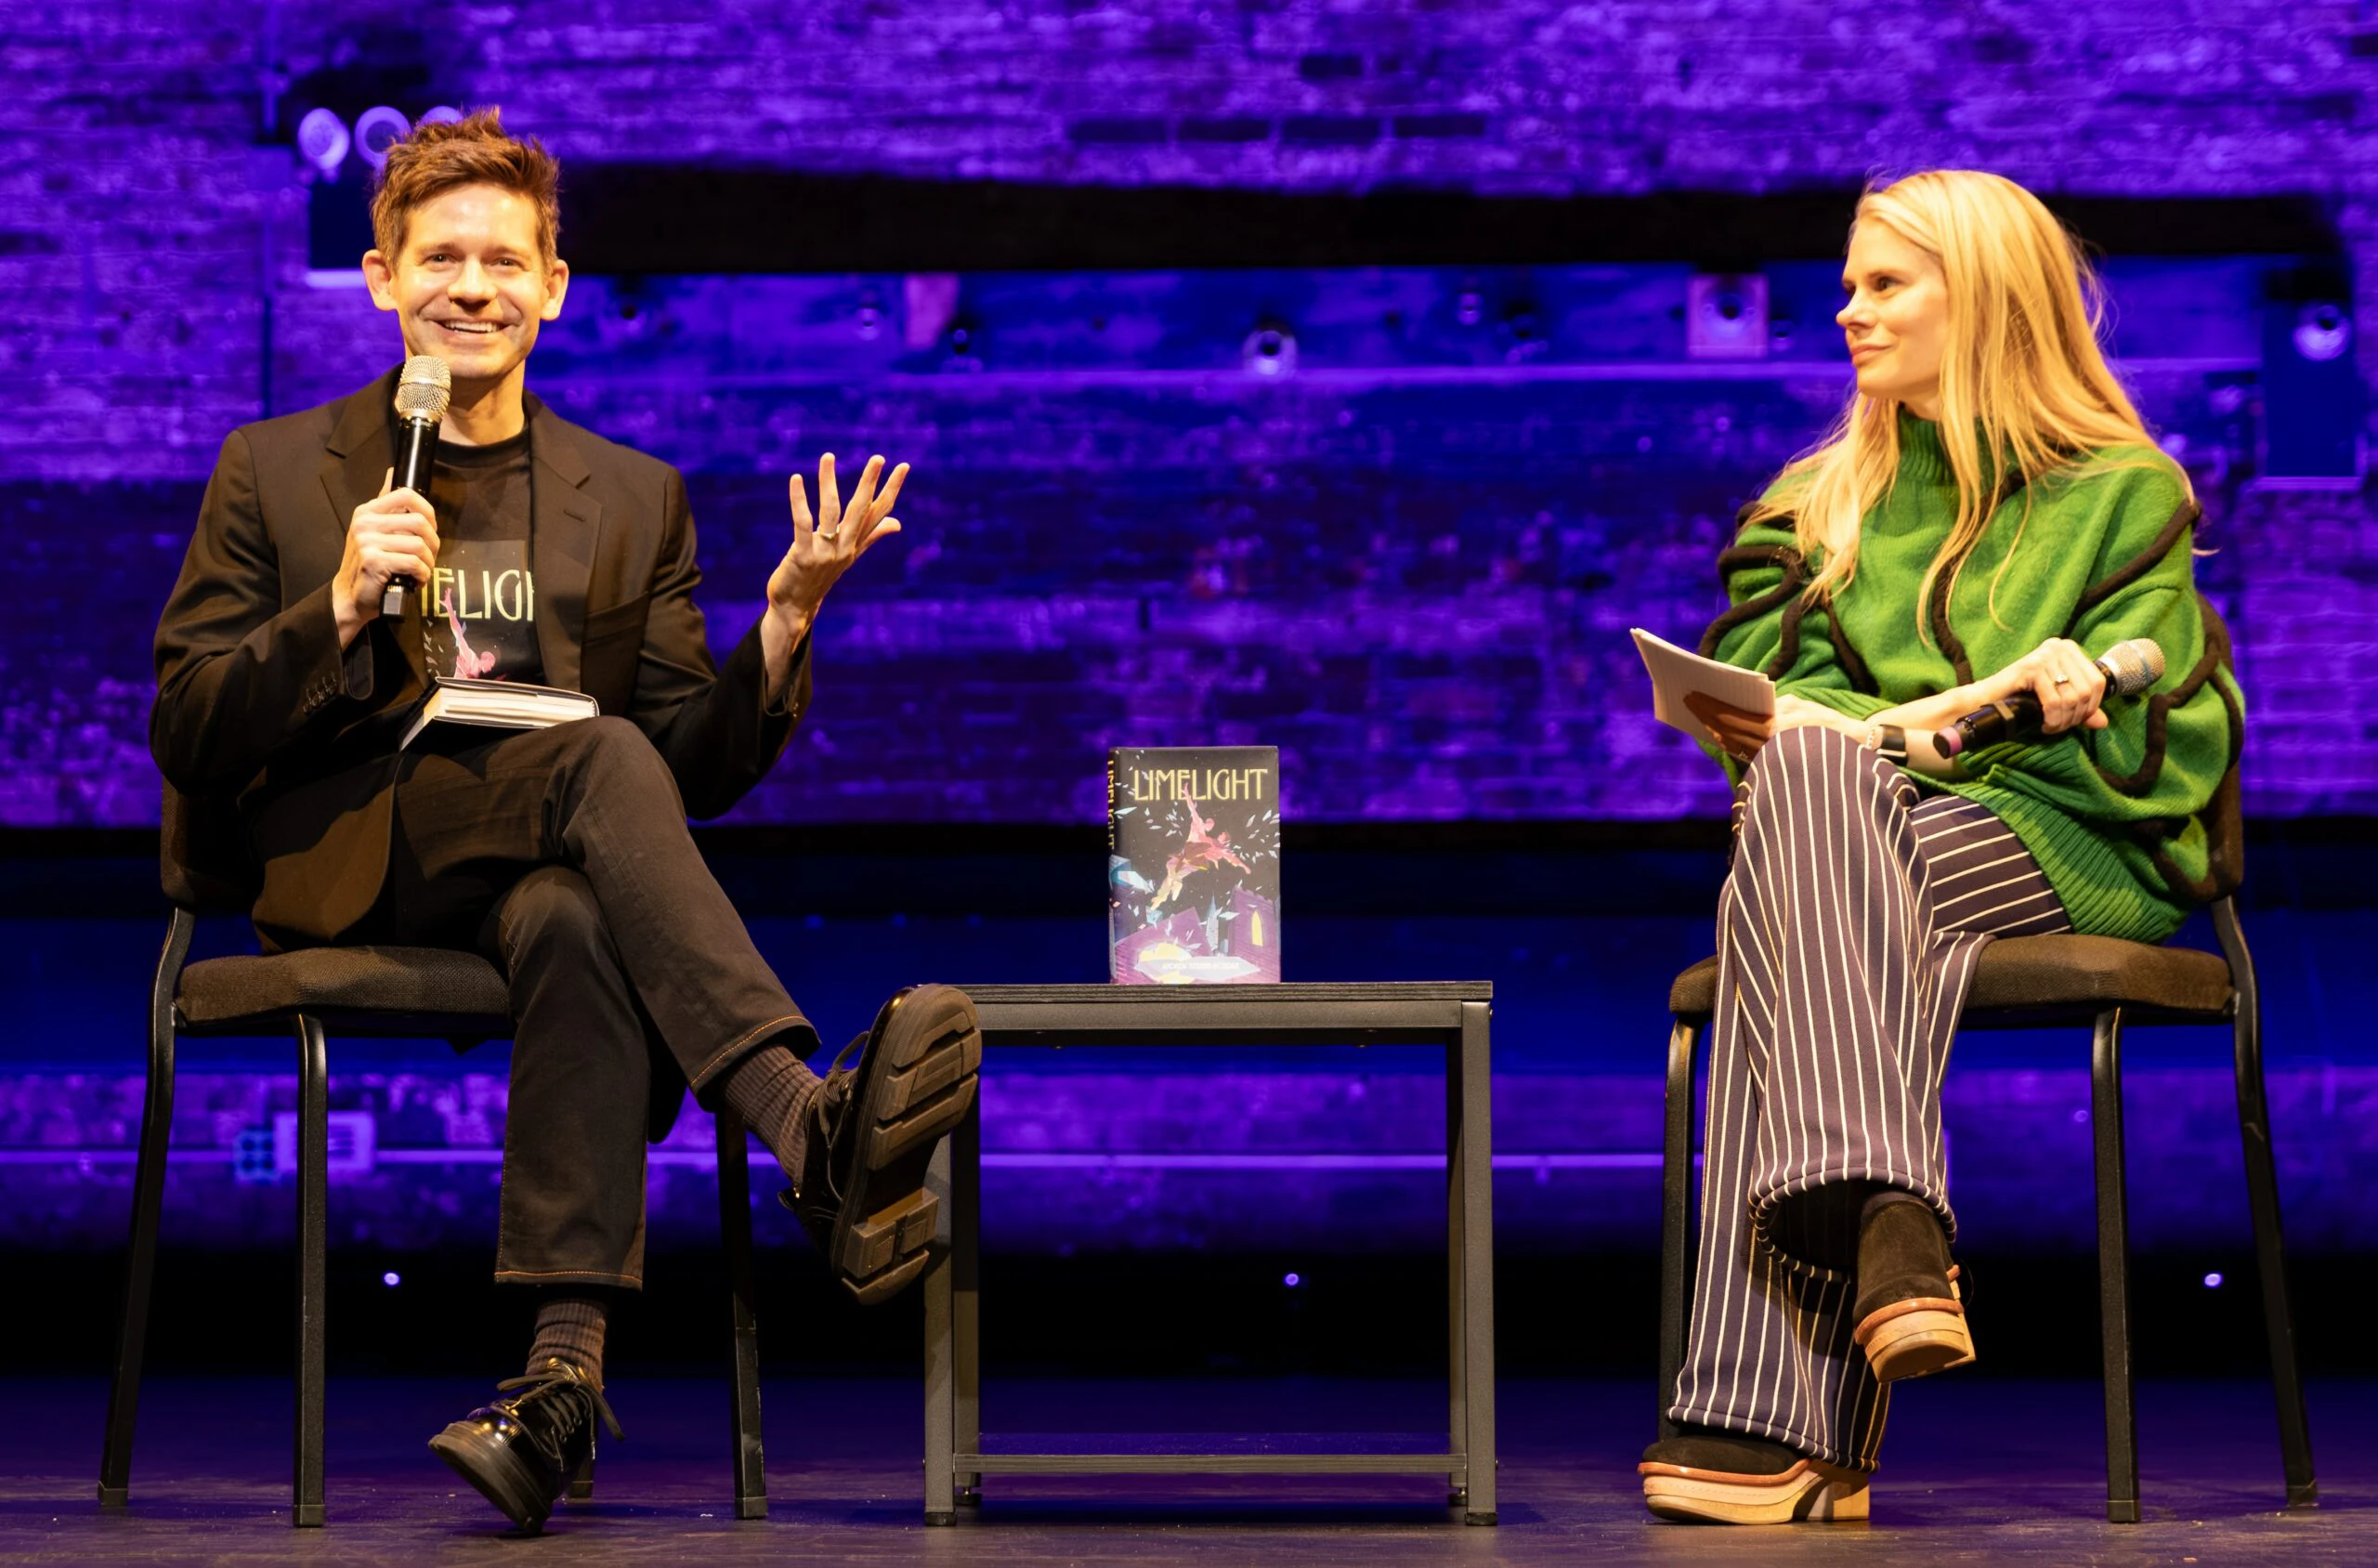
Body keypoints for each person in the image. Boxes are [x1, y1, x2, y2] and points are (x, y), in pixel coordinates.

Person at [150, 110, 982, 1533]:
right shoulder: (277, 471)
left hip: (541, 864)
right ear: (380, 279)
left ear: (554, 287)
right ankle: (802, 1122)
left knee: (586, 906)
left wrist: (780, 632)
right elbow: (187, 723)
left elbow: (682, 771)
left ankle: (553, 1386)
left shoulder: (634, 496)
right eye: (438, 258)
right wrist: (337, 607)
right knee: (594, 765)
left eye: (502, 260)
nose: (470, 286)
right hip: (352, 862)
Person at [1637, 169, 2243, 1525]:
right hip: (1853, 832)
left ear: (1982, 298)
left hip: (2058, 837)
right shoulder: (1810, 504)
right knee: (1809, 795)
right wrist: (1885, 733)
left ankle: (1766, 1418)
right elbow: (1750, 689)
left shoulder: (2120, 492)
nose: (1846, 313)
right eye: (1849, 285)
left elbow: (2182, 707)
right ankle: (1890, 1229)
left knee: (1789, 890)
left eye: (1884, 284)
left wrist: (2058, 689)